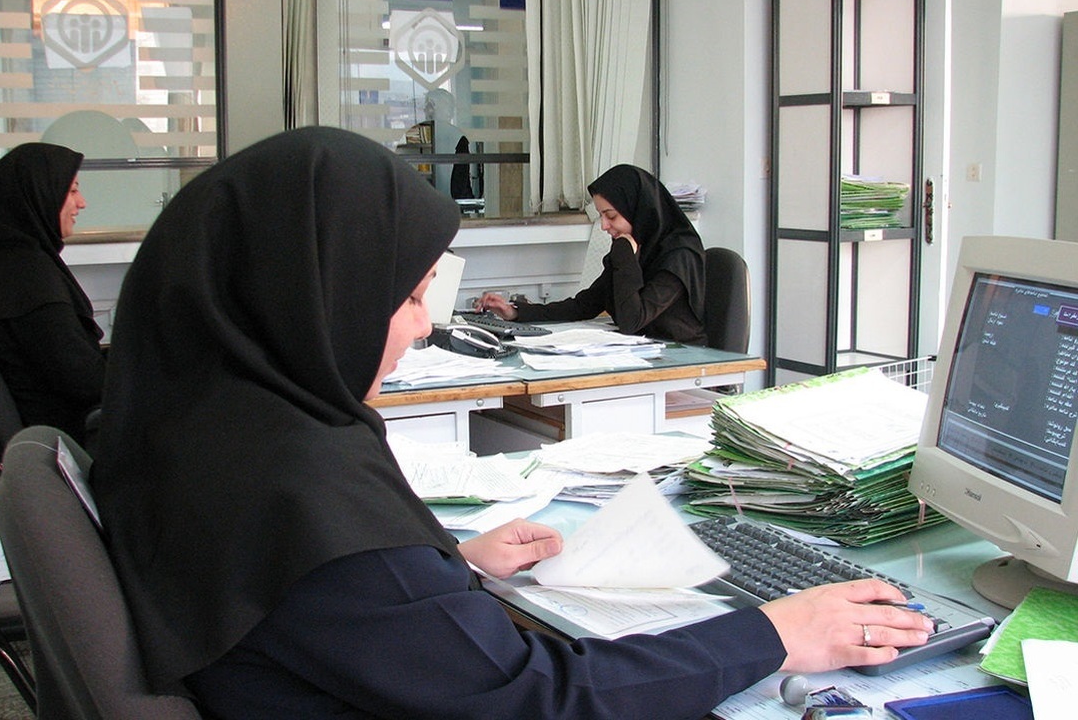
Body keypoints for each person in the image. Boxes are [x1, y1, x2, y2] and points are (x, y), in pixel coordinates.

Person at [90, 127, 932, 720]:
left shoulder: (194, 428)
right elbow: (544, 697)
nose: (422, 325)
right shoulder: (304, 503)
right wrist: (772, 632)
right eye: (408, 296)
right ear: (310, 299)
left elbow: (314, 597)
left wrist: (443, 562)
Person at [0, 142, 105, 444]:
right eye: (72, 191)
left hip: (45, 431)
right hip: (68, 438)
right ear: (40, 194)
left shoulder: (0, 265)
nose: (82, 203)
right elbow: (87, 383)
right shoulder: (27, 282)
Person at [478, 164, 707, 344]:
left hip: (684, 363)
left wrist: (624, 253)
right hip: (642, 356)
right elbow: (583, 305)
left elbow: (631, 320)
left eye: (611, 216)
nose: (604, 226)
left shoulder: (679, 256)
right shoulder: (634, 249)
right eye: (601, 216)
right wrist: (514, 313)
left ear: (638, 210)